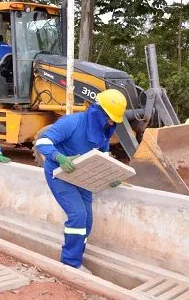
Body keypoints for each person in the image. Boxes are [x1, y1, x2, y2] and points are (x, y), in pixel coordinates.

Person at [35, 89, 127, 273]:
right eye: (109, 118)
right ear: (99, 112)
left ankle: (77, 256)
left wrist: (111, 175)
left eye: (114, 120)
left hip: (82, 175)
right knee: (78, 215)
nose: (111, 122)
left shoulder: (104, 131)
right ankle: (70, 263)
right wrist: (59, 157)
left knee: (87, 219)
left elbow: (103, 156)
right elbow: (42, 141)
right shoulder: (72, 123)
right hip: (60, 172)